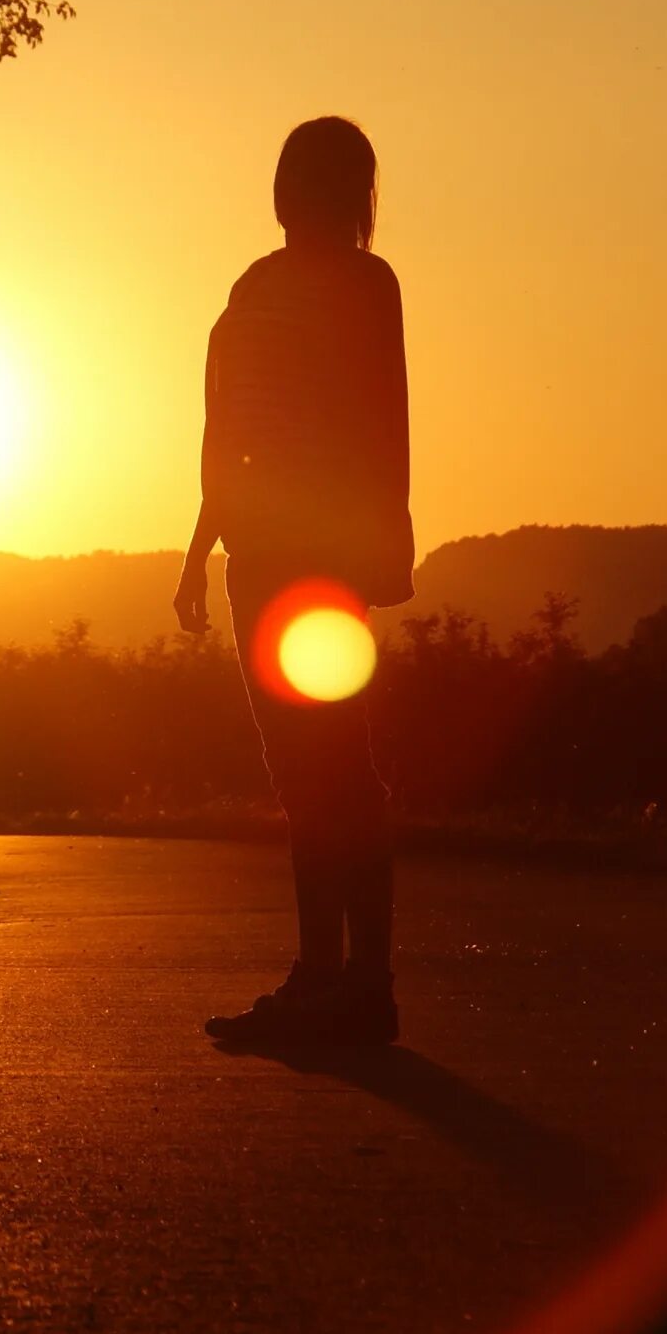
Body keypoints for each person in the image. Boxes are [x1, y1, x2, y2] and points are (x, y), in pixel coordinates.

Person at [175, 116, 413, 1047]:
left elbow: (383, 416)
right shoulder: (255, 285)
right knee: (302, 770)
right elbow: (223, 428)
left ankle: (358, 985)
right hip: (259, 554)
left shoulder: (365, 282)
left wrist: (381, 543)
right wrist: (202, 549)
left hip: (320, 553)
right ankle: (329, 982)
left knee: (335, 766)